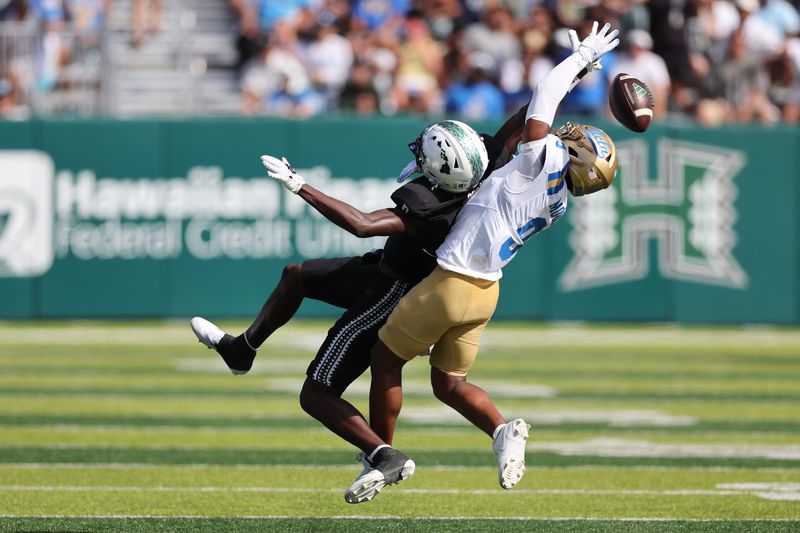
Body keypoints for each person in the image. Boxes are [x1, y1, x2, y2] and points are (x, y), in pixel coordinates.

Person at [349, 21, 621, 502]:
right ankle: (501, 430)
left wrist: (579, 60)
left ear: (577, 158)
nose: (573, 133)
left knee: (384, 361)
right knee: (448, 383)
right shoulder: (556, 200)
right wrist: (583, 72)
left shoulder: (540, 161)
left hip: (452, 281)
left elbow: (543, 94)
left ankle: (380, 455)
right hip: (486, 294)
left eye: (581, 139)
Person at [191, 114, 525, 502]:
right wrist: (578, 66)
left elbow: (363, 224)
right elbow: (516, 127)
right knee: (296, 276)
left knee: (315, 393)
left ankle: (383, 454)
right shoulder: (481, 174)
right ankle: (242, 350)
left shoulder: (429, 207)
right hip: (388, 271)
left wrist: (301, 186)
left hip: (393, 291)